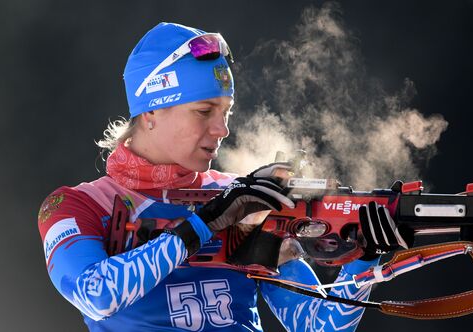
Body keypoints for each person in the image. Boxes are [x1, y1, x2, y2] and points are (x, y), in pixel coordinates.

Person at [38, 22, 410, 331]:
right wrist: (211, 220)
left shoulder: (240, 195)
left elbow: (317, 325)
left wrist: (364, 261)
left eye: (227, 112)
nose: (222, 129)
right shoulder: (76, 205)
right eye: (204, 111)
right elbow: (95, 294)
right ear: (150, 113)